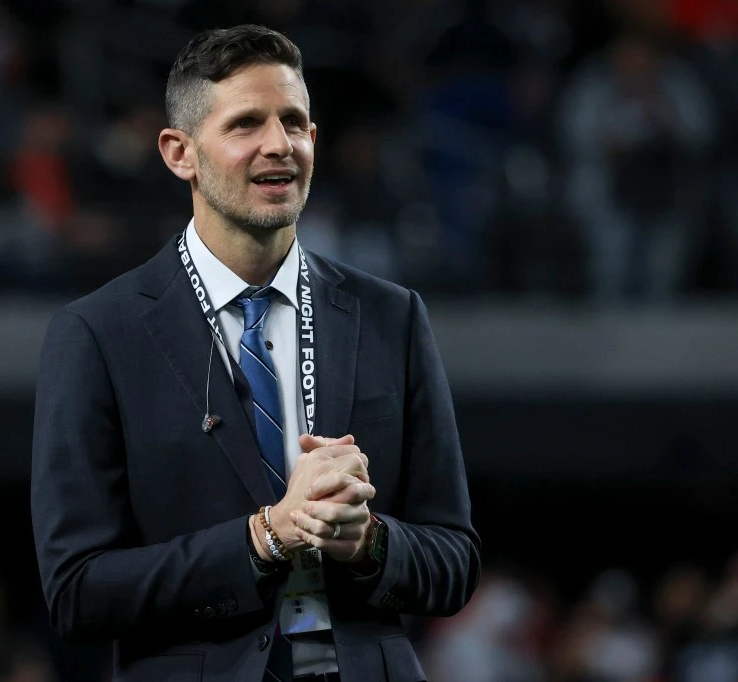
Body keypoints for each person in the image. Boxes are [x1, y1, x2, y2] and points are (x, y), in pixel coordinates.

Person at [31, 24, 481, 682]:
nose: (279, 145)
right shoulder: (99, 334)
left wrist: (370, 542)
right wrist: (265, 536)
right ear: (179, 152)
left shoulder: (393, 316)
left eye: (294, 122)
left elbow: (454, 561)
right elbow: (76, 589)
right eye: (246, 124)